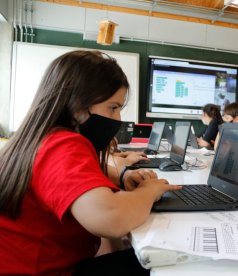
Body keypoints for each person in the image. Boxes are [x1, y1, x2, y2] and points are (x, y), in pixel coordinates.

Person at [0, 50, 181, 275]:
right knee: (169, 263)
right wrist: (149, 191)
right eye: (113, 108)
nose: (118, 119)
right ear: (77, 106)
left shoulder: (38, 138)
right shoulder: (63, 144)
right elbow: (110, 218)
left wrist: (123, 176)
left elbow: (72, 176)